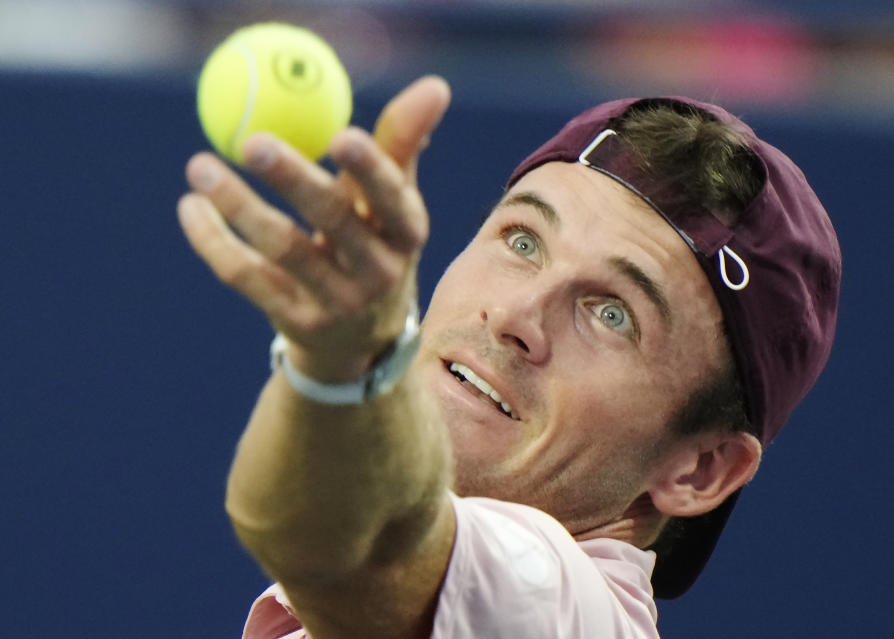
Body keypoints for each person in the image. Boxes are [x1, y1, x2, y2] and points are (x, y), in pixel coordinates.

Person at [177, 76, 840, 638]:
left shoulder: (571, 615)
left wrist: (341, 369)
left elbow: (343, 541)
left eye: (612, 314)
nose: (516, 317)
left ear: (700, 468)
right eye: (522, 241)